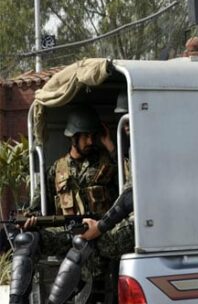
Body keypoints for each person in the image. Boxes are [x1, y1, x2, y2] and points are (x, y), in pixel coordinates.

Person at [10, 106, 118, 304]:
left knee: (81, 244)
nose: (90, 141)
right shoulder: (57, 169)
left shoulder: (106, 163)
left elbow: (130, 186)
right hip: (65, 233)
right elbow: (38, 205)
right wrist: (30, 219)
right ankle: (16, 300)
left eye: (93, 135)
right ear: (73, 137)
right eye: (85, 136)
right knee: (26, 239)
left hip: (96, 234)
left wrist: (111, 147)